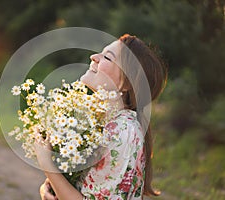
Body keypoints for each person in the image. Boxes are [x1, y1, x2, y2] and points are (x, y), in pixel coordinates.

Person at [36, 34, 167, 200]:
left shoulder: (123, 131)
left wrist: (46, 162)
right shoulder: (101, 122)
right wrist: (49, 186)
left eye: (107, 57)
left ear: (127, 83)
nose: (94, 57)